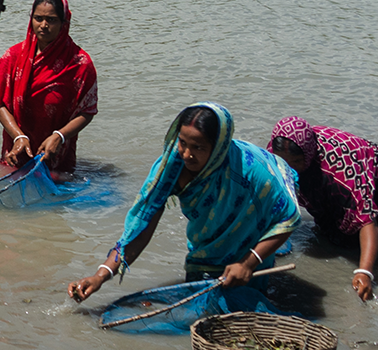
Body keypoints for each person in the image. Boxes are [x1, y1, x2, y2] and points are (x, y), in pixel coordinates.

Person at [68, 102, 298, 304]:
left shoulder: (252, 173)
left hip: (256, 221)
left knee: (247, 297)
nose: (187, 154)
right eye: (182, 142)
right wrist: (101, 275)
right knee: (204, 297)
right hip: (206, 245)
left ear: (218, 148)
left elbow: (287, 218)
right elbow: (142, 224)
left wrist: (249, 262)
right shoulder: (170, 167)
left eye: (198, 147)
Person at [268, 116, 378, 303]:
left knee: (350, 244)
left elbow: (366, 220)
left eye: (296, 162)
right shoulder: (274, 157)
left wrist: (364, 272)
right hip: (320, 172)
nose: (290, 169)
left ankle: (372, 261)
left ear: (308, 154)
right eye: (284, 162)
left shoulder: (340, 169)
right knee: (326, 233)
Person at [0, 0, 98, 174]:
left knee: (57, 193)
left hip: (57, 151)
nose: (43, 25)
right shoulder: (13, 57)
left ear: (64, 23)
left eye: (51, 20)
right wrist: (18, 136)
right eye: (38, 18)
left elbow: (87, 111)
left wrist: (60, 136)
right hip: (17, 149)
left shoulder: (79, 63)